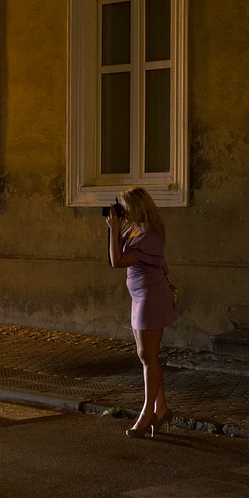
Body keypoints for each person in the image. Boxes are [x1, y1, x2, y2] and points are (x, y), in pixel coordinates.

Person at [105, 187, 176, 438]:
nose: (122, 212)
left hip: (151, 297)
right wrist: (115, 230)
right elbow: (114, 257)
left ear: (136, 207)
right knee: (146, 355)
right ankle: (161, 408)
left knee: (147, 355)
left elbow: (117, 262)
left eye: (124, 208)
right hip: (139, 297)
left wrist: (114, 230)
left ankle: (147, 413)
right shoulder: (133, 230)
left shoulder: (150, 235)